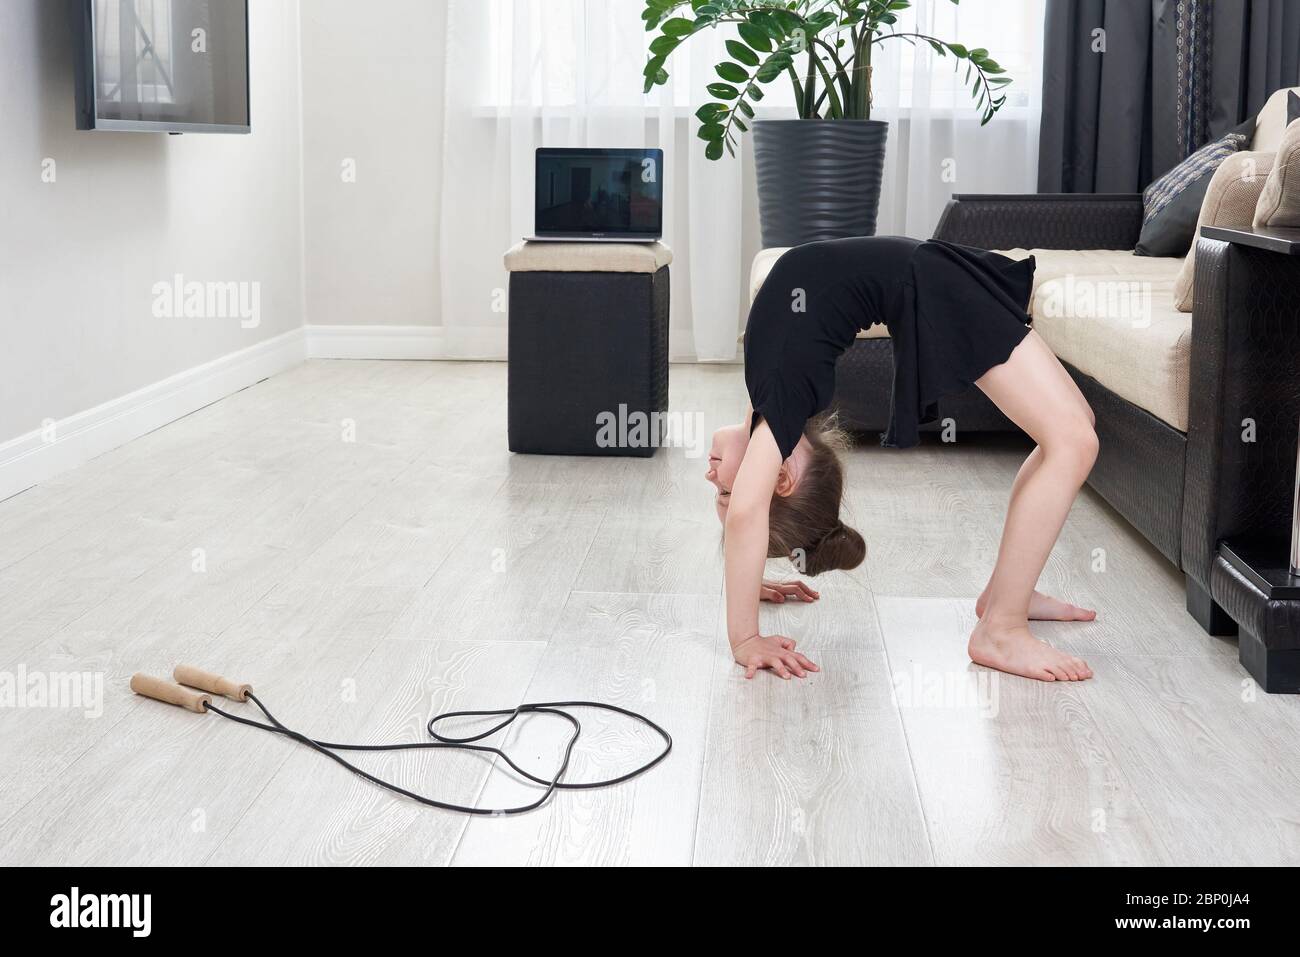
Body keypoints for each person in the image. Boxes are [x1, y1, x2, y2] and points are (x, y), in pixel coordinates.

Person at [704, 236, 1098, 683]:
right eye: (724, 488)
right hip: (932, 284)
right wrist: (745, 639)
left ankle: (1008, 597)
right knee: (1072, 440)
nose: (709, 473)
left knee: (1072, 432)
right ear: (781, 479)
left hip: (929, 274)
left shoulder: (773, 397)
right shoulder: (782, 399)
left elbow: (746, 516)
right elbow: (745, 517)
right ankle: (1001, 628)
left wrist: (750, 579)